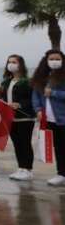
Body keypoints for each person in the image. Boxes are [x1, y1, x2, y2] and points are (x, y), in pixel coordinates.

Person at [32, 49, 65, 186]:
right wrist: (38, 110)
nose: (54, 61)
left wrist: (54, 93)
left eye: (57, 59)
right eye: (51, 59)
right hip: (49, 119)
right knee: (58, 147)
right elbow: (36, 96)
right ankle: (61, 174)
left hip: (63, 118)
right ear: (46, 61)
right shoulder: (41, 76)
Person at [2, 54, 35, 181]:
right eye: (9, 62)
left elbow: (32, 99)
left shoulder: (27, 81)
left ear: (20, 64)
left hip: (25, 118)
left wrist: (20, 104)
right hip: (11, 118)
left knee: (25, 143)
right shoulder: (6, 82)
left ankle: (28, 169)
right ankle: (21, 168)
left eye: (14, 62)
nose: (11, 64)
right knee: (17, 143)